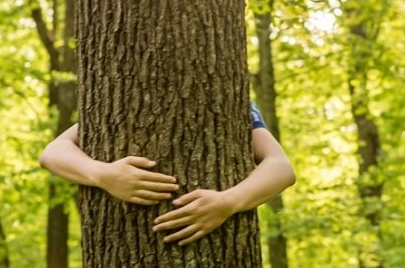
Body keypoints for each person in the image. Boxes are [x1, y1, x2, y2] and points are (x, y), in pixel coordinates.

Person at [38, 103, 295, 246]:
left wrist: (229, 201)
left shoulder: (231, 97)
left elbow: (281, 167)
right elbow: (53, 152)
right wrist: (102, 174)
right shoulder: (114, 98)